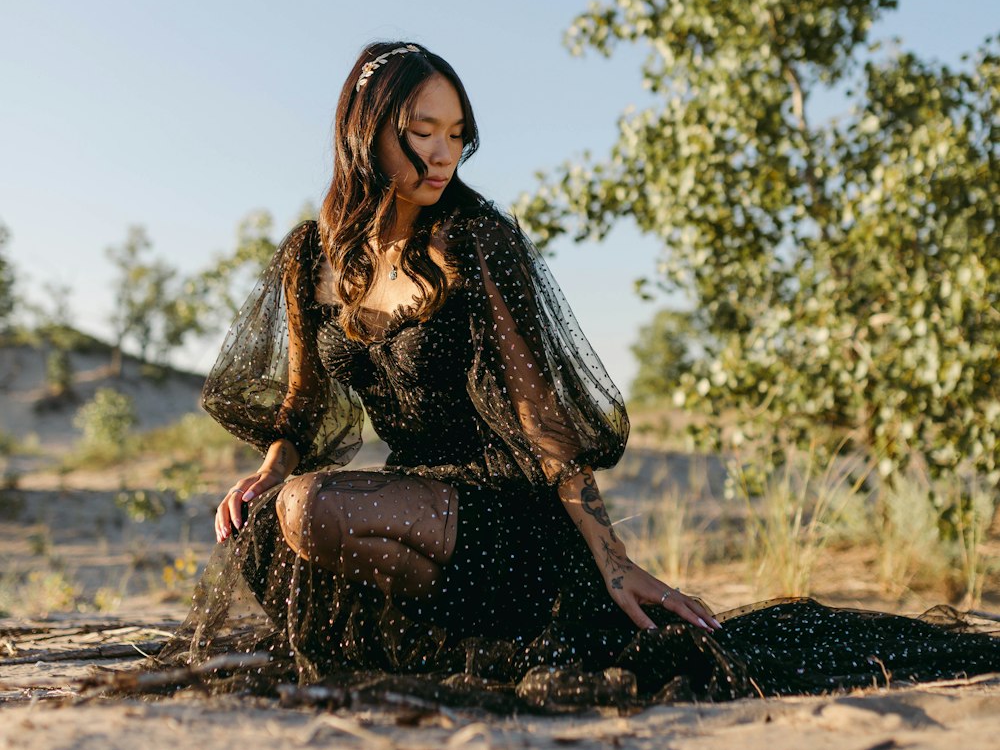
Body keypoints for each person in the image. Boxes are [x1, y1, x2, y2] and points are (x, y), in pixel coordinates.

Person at [159, 40, 1000, 710]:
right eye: (423, 130)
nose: (444, 152)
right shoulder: (313, 258)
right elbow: (305, 401)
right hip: (417, 503)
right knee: (270, 523)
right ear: (364, 128)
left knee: (313, 508)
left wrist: (614, 557)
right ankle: (460, 647)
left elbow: (542, 413)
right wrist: (267, 469)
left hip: (509, 517)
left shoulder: (475, 243)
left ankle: (526, 622)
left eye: (457, 134)